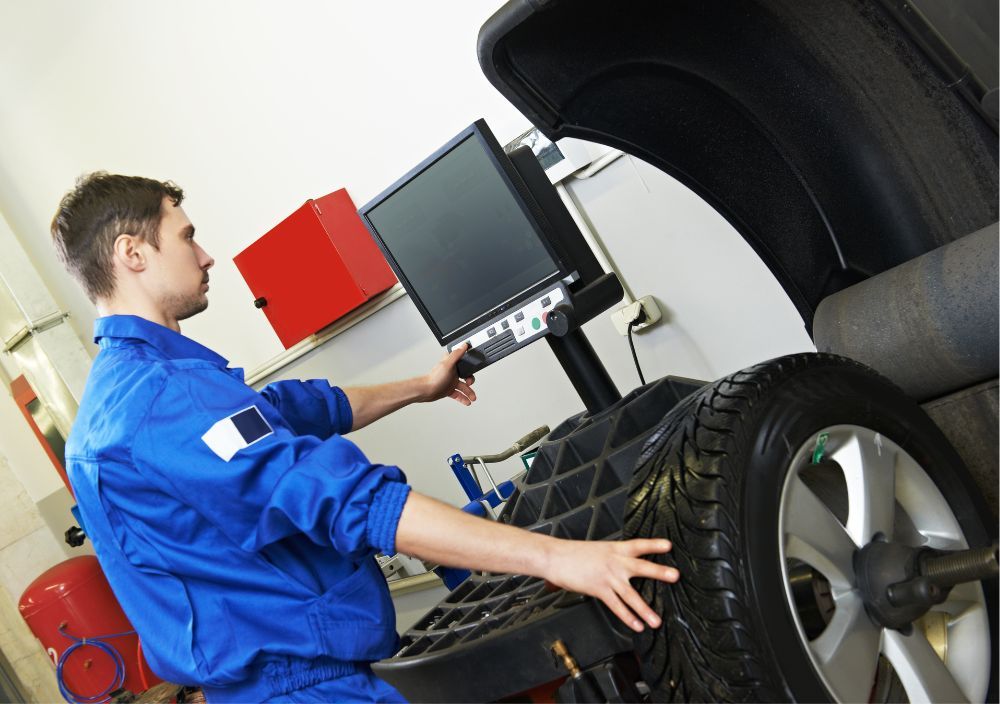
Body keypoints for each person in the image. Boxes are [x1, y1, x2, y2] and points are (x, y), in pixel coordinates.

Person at [52, 172, 680, 703]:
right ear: (133, 253)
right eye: (187, 236)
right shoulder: (165, 401)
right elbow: (345, 499)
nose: (207, 255)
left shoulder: (125, 399)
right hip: (305, 688)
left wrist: (422, 386)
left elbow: (296, 410)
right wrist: (556, 558)